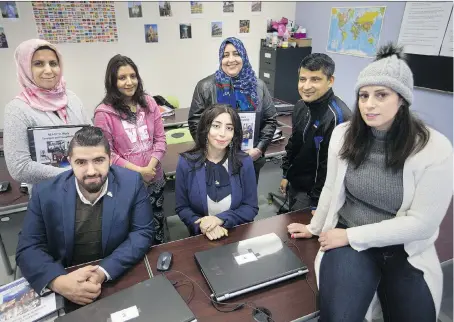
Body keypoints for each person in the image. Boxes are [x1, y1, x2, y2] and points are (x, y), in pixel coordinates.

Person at [287, 44, 453, 322]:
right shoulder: (344, 135)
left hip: (402, 247)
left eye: (381, 95)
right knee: (340, 316)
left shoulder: (434, 148)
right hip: (349, 242)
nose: (369, 104)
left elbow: (423, 224)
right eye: (363, 95)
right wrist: (314, 227)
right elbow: (331, 187)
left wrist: (351, 236)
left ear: (402, 99)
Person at [16, 127, 154, 306]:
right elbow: (28, 248)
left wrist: (102, 272)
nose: (91, 171)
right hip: (66, 279)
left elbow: (142, 233)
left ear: (110, 159)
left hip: (115, 278)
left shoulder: (131, 183)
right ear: (69, 162)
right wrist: (60, 282)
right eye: (81, 162)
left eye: (98, 160)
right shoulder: (44, 193)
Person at [94, 54, 167, 244]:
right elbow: (106, 154)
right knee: (134, 231)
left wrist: (149, 168)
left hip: (154, 178)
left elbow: (160, 140)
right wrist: (139, 172)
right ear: (112, 81)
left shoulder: (149, 103)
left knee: (157, 224)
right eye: (122, 78)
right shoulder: (104, 113)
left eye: (133, 76)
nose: (129, 82)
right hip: (125, 183)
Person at [3, 39, 91, 188]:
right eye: (38, 64)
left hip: (86, 187)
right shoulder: (16, 109)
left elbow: (92, 138)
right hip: (49, 193)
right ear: (25, 67)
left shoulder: (72, 98)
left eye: (53, 63)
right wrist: (73, 172)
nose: (48, 70)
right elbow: (20, 168)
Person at [188, 37, 277, 182]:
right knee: (218, 201)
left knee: (247, 200)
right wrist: (211, 149)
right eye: (225, 55)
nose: (231, 59)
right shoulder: (205, 86)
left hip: (250, 159)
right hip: (216, 159)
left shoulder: (258, 86)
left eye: (236, 54)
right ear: (220, 59)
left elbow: (270, 120)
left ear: (243, 56)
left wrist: (259, 149)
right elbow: (195, 121)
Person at [280, 53, 351, 213]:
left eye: (315, 79)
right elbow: (294, 144)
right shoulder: (300, 106)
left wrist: (317, 203)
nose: (306, 86)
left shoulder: (338, 117)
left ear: (330, 81)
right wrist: (286, 174)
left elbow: (330, 167)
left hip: (315, 194)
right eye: (302, 79)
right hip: (296, 184)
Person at [176, 104, 259, 239]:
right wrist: (203, 225)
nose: (222, 134)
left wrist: (219, 220)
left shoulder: (244, 162)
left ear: (234, 133)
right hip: (201, 236)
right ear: (205, 128)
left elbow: (250, 208)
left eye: (229, 128)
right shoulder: (186, 162)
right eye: (216, 126)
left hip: (236, 234)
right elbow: (182, 208)